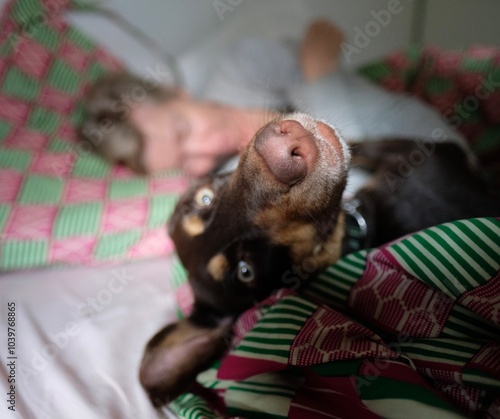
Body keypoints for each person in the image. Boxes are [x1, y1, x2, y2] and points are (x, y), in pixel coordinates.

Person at [79, 20, 468, 178]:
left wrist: (319, 77)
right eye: (182, 163)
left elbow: (323, 32)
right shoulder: (225, 181)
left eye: (183, 132)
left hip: (440, 155)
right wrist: (318, 77)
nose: (201, 154)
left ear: (179, 94)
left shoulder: (240, 64)